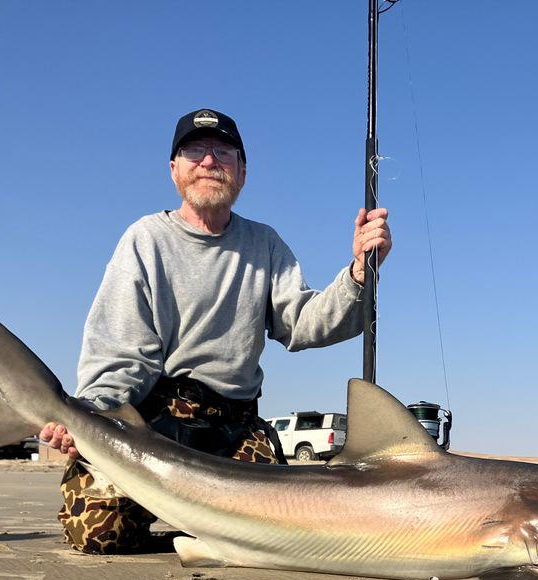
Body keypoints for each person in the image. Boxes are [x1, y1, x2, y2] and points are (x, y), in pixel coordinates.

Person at [40, 108, 392, 554]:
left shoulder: (265, 243)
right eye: (195, 151)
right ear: (174, 170)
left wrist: (359, 273)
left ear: (242, 173)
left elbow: (304, 323)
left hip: (234, 425)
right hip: (153, 421)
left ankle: (206, 531)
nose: (209, 161)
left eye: (224, 152)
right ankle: (198, 532)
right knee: (98, 535)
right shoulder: (145, 239)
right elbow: (121, 353)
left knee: (283, 534)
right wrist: (92, 416)